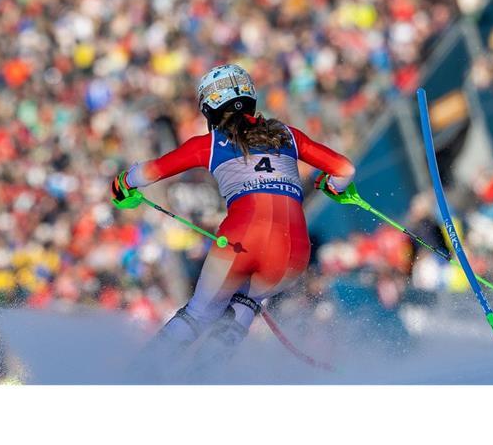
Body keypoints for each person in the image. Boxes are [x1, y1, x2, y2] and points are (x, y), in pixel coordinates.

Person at [111, 64, 356, 374]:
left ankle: (136, 378)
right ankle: (199, 380)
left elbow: (147, 173)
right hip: (292, 252)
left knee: (199, 314)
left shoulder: (210, 144)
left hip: (243, 240)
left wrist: (121, 183)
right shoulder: (288, 135)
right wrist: (331, 187)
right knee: (245, 306)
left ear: (209, 107)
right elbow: (345, 169)